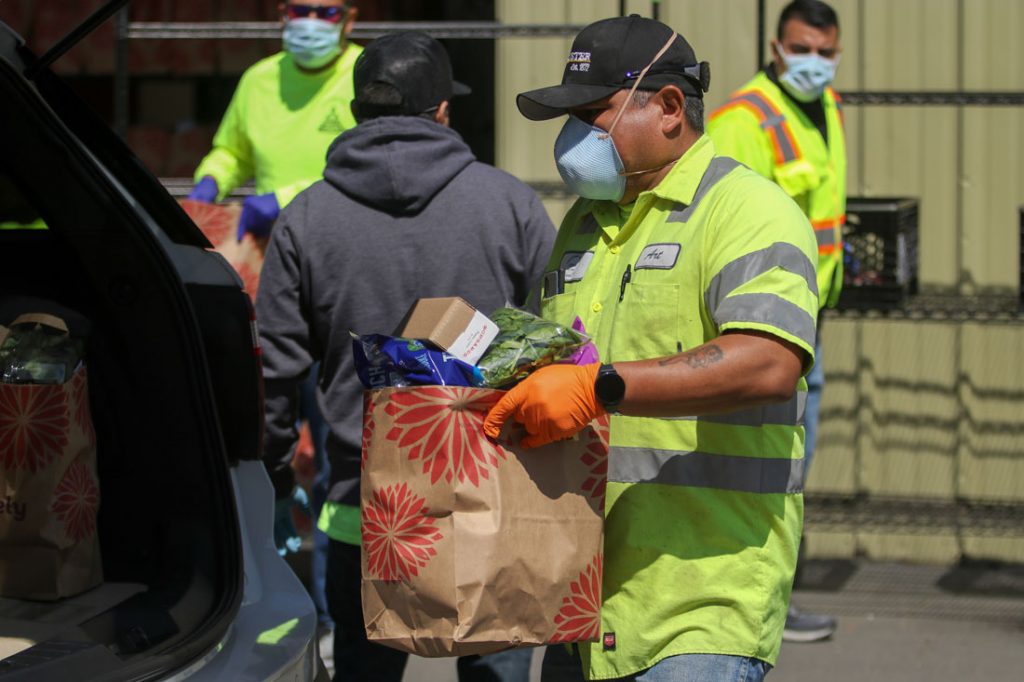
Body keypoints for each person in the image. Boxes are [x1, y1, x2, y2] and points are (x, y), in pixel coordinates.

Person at [483, 15, 819, 681]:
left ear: (669, 107)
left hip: (703, 603)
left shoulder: (748, 210)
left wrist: (600, 386)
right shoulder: (583, 224)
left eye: (591, 113)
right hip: (585, 607)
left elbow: (769, 362)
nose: (573, 136)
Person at [255, 31, 555, 682]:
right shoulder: (511, 206)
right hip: (492, 501)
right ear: (442, 109)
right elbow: (560, 349)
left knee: (363, 673)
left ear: (359, 111)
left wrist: (274, 479)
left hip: (364, 512)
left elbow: (272, 372)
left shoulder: (306, 219)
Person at [187, 2, 362, 651]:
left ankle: (336, 615)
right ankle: (280, 598)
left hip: (340, 279)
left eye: (324, 9)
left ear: (349, 19)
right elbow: (231, 148)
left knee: (341, 459)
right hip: (270, 281)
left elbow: (360, 165)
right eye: (297, 8)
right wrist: (213, 178)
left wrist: (283, 197)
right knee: (267, 452)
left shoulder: (362, 74)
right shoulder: (260, 79)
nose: (308, 21)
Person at [707, 0, 845, 643]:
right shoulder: (745, 119)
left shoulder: (826, 107)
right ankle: (754, 603)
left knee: (790, 465)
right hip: (764, 324)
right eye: (803, 49)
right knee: (765, 468)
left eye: (825, 51)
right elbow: (729, 223)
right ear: (775, 45)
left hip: (806, 319)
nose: (814, 63)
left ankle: (766, 596)